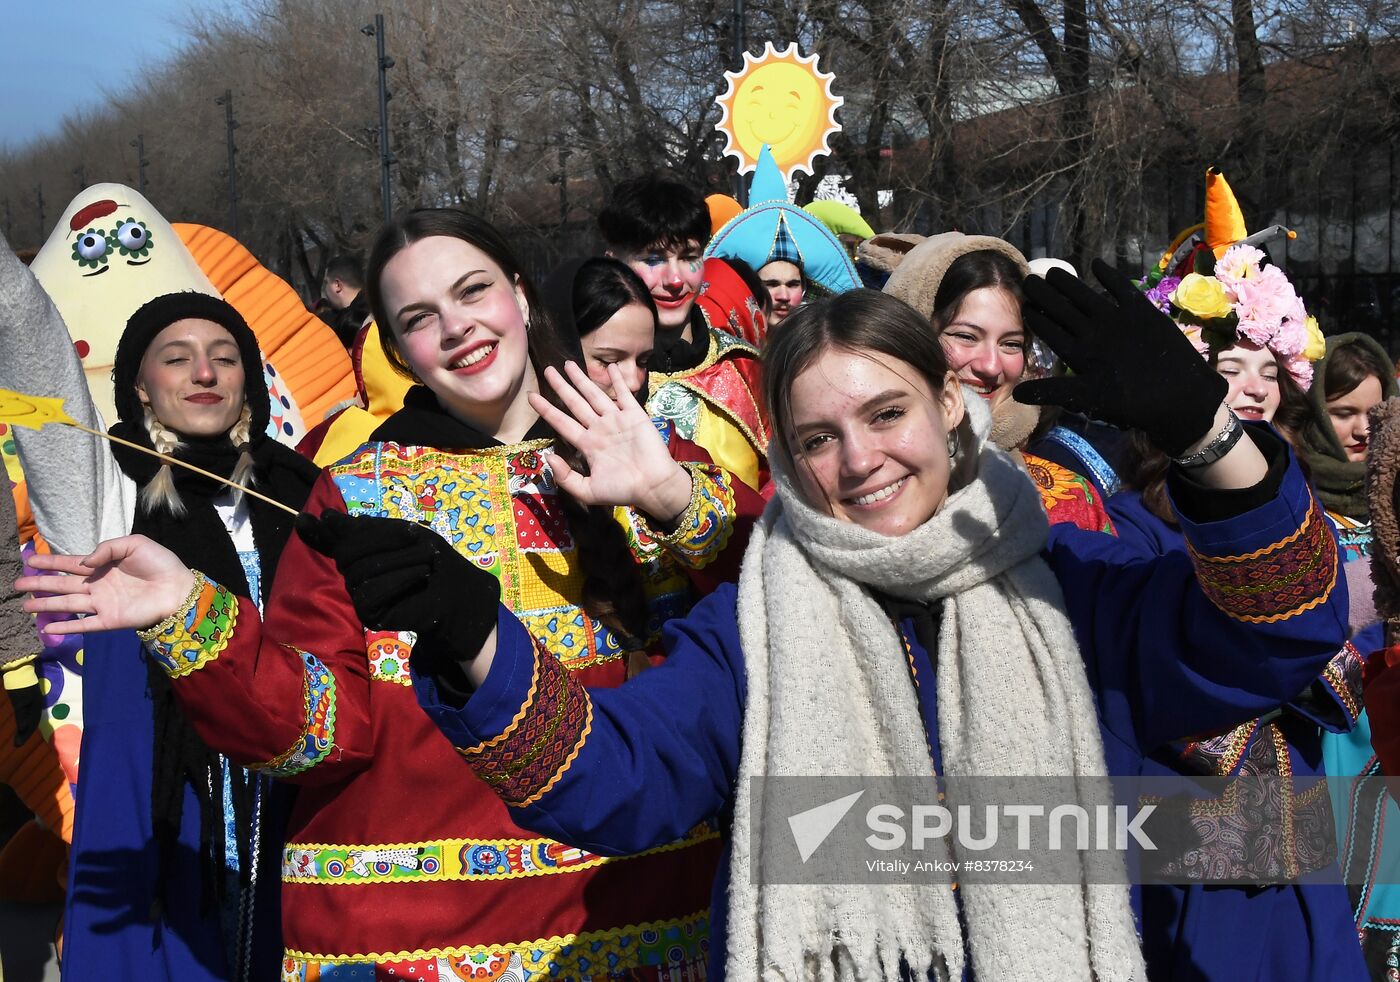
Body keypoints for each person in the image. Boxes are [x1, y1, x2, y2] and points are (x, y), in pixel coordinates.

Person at [21, 209, 754, 978]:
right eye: (419, 318)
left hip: (657, 912)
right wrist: (191, 616)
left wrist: (673, 497)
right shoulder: (356, 493)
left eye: (472, 292)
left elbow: (786, 619)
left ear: (520, 293)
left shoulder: (646, 450)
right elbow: (319, 733)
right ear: (399, 351)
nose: (457, 327)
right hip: (425, 939)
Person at [0, 230, 317, 981]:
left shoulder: (306, 492)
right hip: (167, 802)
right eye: (176, 357)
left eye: (225, 356)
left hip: (301, 793)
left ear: (250, 378)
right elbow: (28, 332)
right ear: (140, 386)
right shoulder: (107, 494)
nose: (204, 371)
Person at [884, 233, 1114, 532]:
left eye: (1011, 343)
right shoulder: (858, 488)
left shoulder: (1068, 500)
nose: (991, 366)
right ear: (908, 335)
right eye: (966, 336)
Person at [1295, 333, 1400, 979]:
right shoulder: (1294, 508)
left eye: (1374, 412)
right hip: (1331, 732)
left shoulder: (1394, 496)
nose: (1363, 430)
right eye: (1343, 412)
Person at [598, 174, 771, 490]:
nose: (675, 280)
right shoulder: (589, 373)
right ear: (614, 264)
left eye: (689, 257)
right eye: (654, 259)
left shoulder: (746, 368)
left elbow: (780, 483)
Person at [321, 254, 370, 349]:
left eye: (326, 282)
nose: (324, 289)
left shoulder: (346, 328)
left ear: (337, 285)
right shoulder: (381, 309)